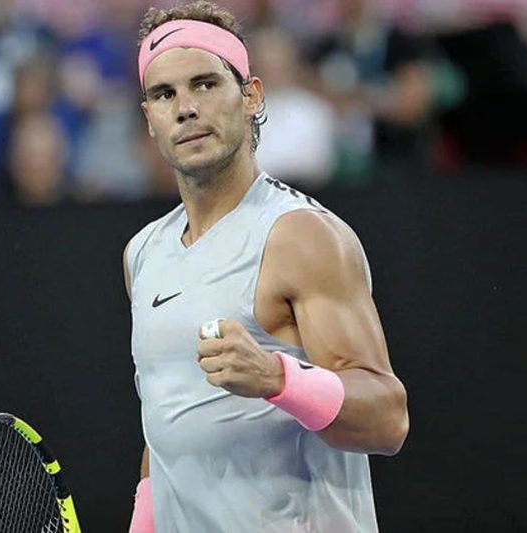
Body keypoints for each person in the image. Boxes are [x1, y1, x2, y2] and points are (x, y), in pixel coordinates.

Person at [122, 2, 408, 531]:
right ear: (150, 119)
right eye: (165, 94)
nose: (185, 108)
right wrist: (145, 521)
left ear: (251, 95)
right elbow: (168, 416)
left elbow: (388, 419)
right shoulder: (142, 253)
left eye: (206, 84)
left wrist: (277, 378)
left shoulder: (301, 235)